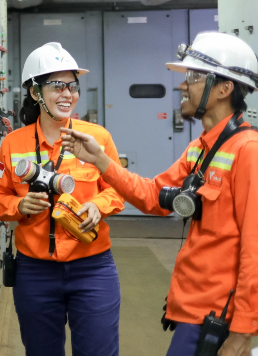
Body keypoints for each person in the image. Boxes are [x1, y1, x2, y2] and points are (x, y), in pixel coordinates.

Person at [60, 31, 258, 356]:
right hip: (192, 310)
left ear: (224, 88)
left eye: (193, 77)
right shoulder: (200, 149)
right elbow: (154, 196)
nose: (182, 85)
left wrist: (242, 332)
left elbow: (255, 247)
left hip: (220, 316)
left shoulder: (247, 151)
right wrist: (100, 160)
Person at [0, 42, 124, 356]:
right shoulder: (13, 143)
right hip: (35, 272)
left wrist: (97, 205)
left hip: (93, 268)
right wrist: (18, 205)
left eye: (72, 86)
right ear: (35, 93)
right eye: (57, 86)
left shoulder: (96, 138)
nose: (67, 94)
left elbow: (118, 189)